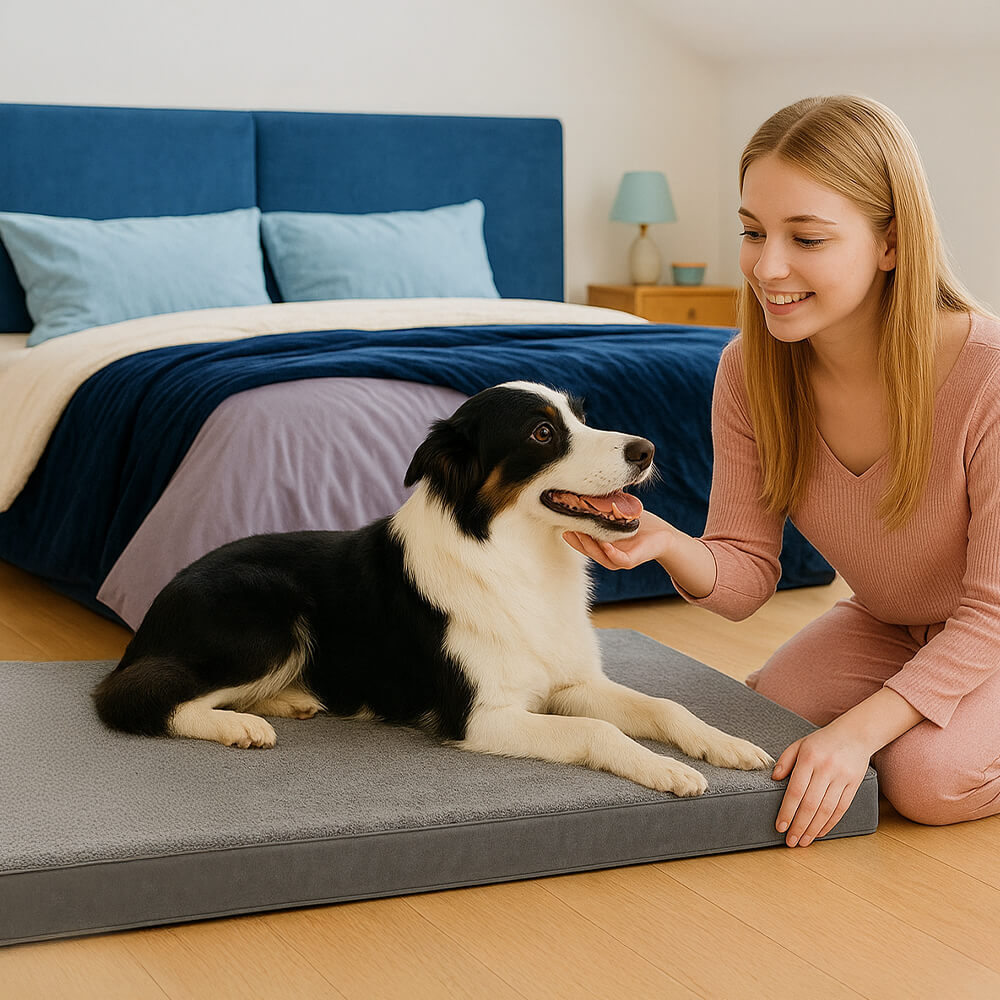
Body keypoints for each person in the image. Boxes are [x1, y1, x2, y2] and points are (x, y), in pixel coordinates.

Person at [566, 94, 1000, 847]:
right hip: (893, 623)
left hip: (990, 627)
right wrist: (667, 542)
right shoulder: (748, 372)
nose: (768, 267)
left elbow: (991, 615)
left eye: (807, 238)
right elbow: (744, 578)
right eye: (752, 231)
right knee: (771, 709)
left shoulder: (988, 377)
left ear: (890, 243)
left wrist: (861, 733)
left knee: (925, 778)